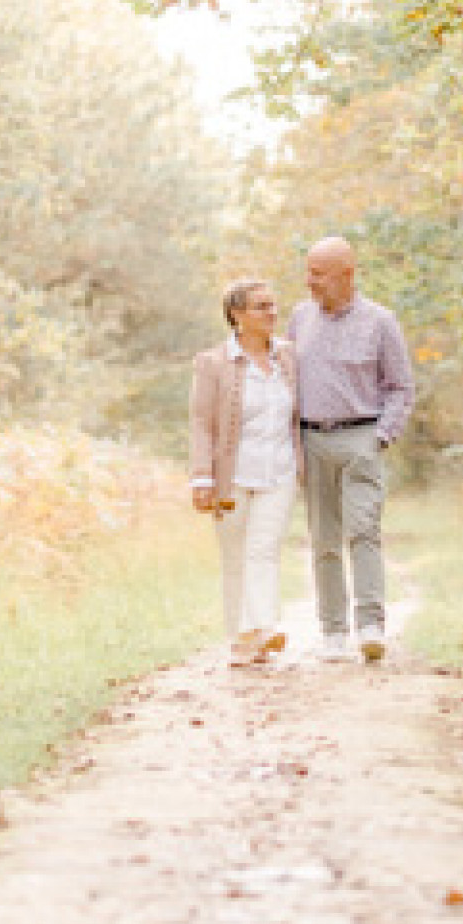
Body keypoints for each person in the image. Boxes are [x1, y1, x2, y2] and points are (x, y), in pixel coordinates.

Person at [288, 237, 414, 666]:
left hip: (360, 436)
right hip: (312, 439)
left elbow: (400, 387)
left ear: (347, 274)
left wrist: (380, 437)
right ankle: (333, 632)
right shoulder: (299, 318)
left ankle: (371, 626)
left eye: (319, 274)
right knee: (323, 539)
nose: (310, 282)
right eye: (308, 272)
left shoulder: (380, 321)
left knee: (364, 530)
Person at [188, 275, 301, 669]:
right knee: (235, 555)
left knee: (264, 550)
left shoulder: (288, 356)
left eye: (273, 305)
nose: (272, 313)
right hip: (232, 475)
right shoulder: (214, 362)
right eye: (261, 307)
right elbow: (202, 423)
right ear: (237, 315)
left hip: (280, 471)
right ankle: (240, 637)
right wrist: (201, 477)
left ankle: (264, 628)